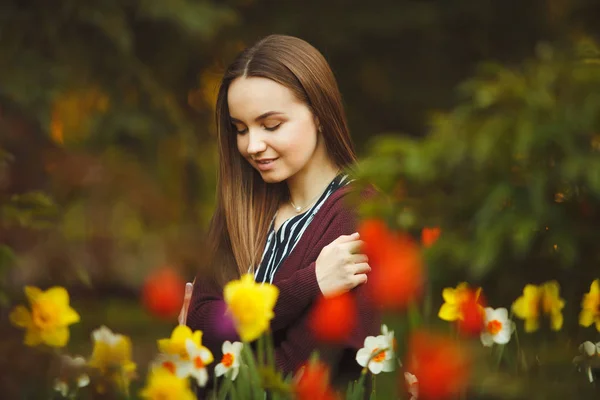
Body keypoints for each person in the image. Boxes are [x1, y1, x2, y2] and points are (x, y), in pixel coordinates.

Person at [181, 34, 380, 390]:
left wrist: (221, 349)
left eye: (271, 125)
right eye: (239, 129)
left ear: (319, 114)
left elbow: (309, 366)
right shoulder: (243, 209)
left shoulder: (359, 213)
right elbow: (200, 323)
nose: (252, 146)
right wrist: (310, 285)